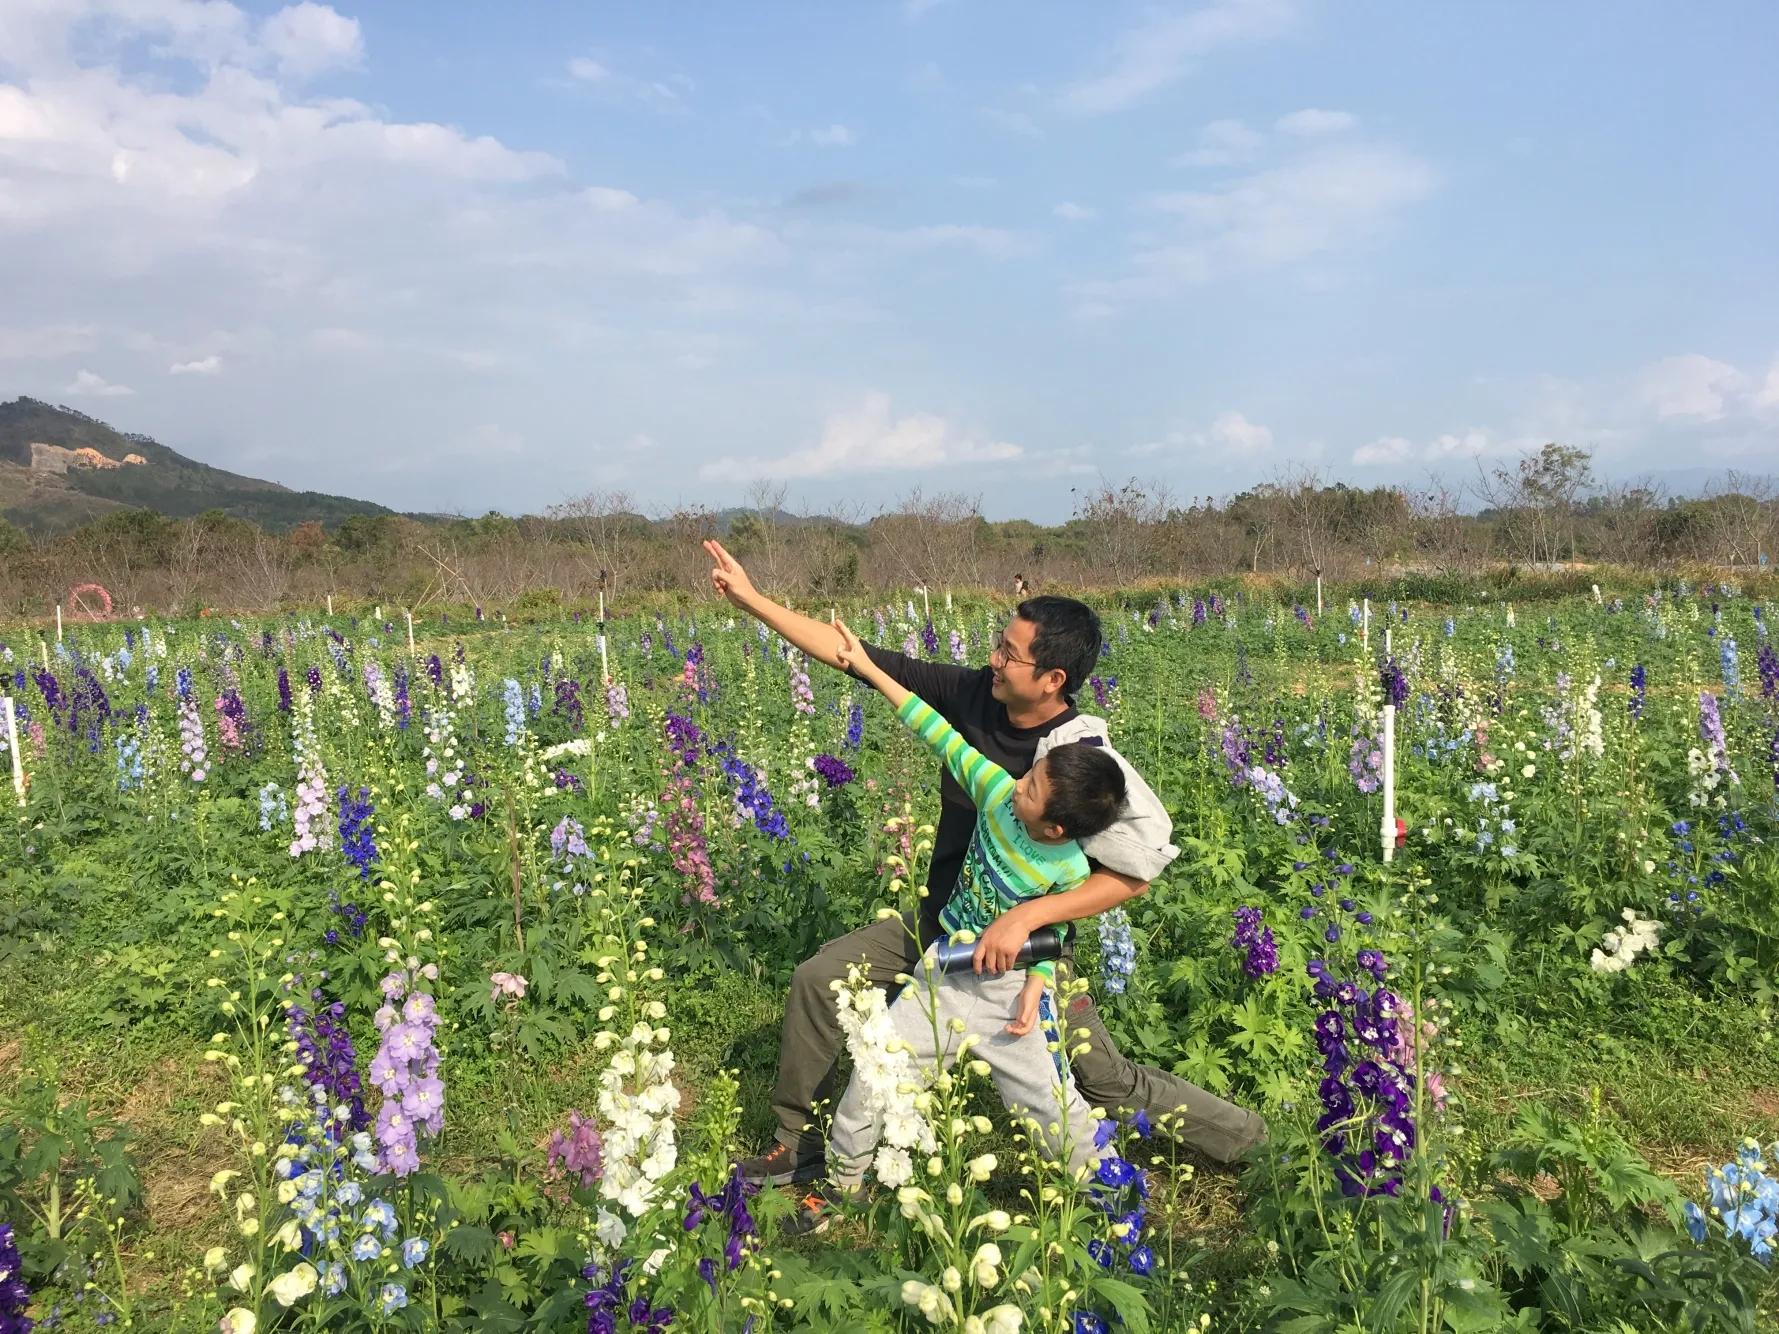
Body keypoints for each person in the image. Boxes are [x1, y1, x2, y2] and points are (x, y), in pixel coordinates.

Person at [702, 540, 1267, 1190]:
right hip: (944, 919)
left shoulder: (1078, 756)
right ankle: (794, 1146)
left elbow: (1135, 872)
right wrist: (750, 599)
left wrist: (1029, 918)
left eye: (1009, 653)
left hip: (1028, 951)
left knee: (1101, 1078)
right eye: (998, 644)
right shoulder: (974, 695)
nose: (993, 659)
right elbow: (853, 657)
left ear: (1052, 678)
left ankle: (1256, 1144)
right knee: (819, 977)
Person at [790, 618, 1126, 1232]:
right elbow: (934, 729)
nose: (1018, 782)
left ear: (1056, 827)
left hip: (1008, 996)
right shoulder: (996, 792)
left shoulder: (1071, 866)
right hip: (941, 971)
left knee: (1051, 1107)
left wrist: (1038, 983)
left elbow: (1054, 932)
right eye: (1028, 776)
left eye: (1032, 788)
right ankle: (841, 1188)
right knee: (875, 1071)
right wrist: (867, 668)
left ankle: (1107, 1193)